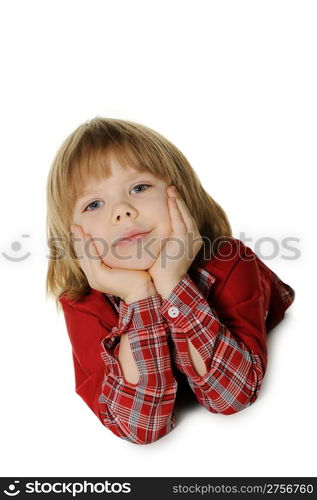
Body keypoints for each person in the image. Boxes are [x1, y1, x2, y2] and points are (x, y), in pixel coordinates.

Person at [46, 117, 295, 445]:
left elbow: (233, 396)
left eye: (139, 188)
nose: (122, 210)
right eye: (94, 204)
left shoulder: (231, 261)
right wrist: (139, 296)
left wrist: (172, 282)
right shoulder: (81, 304)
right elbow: (140, 427)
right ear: (74, 239)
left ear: (181, 196)